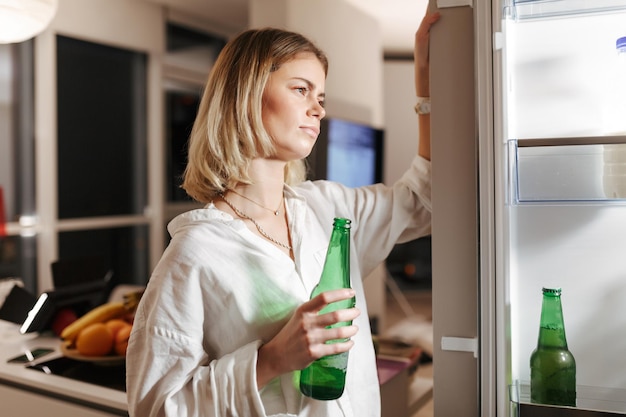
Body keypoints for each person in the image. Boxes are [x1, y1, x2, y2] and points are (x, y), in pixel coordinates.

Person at [126, 10, 441, 417]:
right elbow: (154, 407)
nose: (318, 110)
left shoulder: (327, 210)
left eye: (320, 97)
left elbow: (425, 200)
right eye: (301, 90)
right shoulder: (196, 253)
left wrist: (427, 82)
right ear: (247, 94)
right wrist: (272, 359)